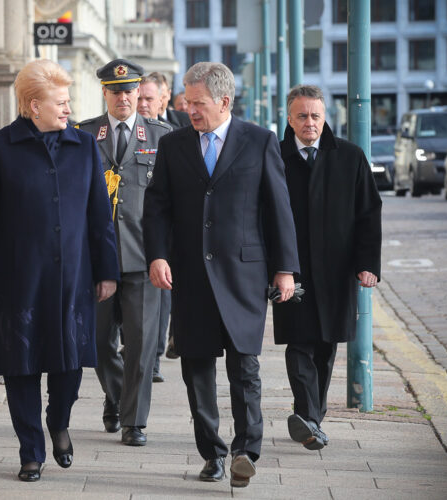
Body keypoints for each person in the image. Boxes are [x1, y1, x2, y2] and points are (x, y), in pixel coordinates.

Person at [0, 59, 119, 482]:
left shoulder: (84, 146)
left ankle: (58, 420)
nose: (68, 109)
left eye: (68, 101)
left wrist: (108, 271)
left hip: (72, 279)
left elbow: (99, 214)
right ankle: (30, 451)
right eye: (60, 102)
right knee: (21, 365)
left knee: (69, 365)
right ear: (33, 105)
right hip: (15, 280)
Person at [143, 62, 299, 488]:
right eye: (187, 103)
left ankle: (246, 450)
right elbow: (157, 207)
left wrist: (285, 270)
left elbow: (278, 208)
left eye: (198, 104)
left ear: (224, 101)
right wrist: (157, 256)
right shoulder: (173, 145)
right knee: (196, 368)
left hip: (244, 274)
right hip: (189, 275)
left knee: (245, 367)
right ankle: (212, 453)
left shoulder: (259, 141)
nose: (190, 110)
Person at [275, 84, 382, 450]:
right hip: (292, 270)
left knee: (325, 345)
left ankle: (310, 419)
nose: (309, 123)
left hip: (337, 272)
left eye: (315, 116)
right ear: (289, 119)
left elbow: (368, 213)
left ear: (325, 118)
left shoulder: (350, 158)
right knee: (299, 341)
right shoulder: (275, 158)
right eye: (302, 116)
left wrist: (367, 264)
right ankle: (307, 415)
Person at [77, 59, 172, 446]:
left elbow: (171, 202)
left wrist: (166, 253)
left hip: (144, 256)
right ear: (105, 93)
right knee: (99, 344)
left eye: (129, 90)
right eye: (115, 91)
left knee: (142, 342)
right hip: (98, 258)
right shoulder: (84, 135)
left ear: (139, 92)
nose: (123, 97)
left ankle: (134, 421)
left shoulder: (163, 137)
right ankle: (116, 397)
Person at [135, 73, 173, 383]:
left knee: (159, 298)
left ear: (163, 99)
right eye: (140, 97)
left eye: (149, 98)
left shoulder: (172, 135)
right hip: (128, 232)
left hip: (162, 233)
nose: (143, 104)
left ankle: (154, 357)